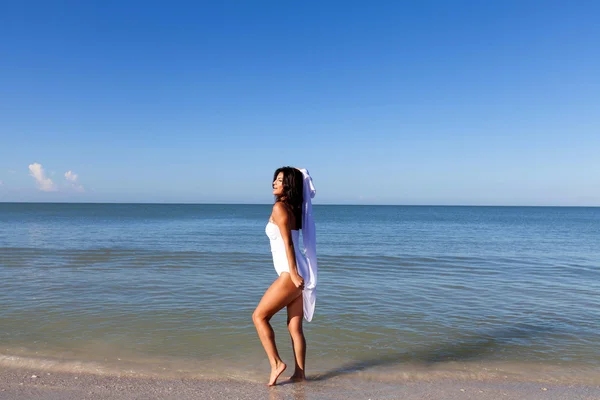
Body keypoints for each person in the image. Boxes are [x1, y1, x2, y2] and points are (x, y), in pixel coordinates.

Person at [252, 166, 317, 386]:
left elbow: (288, 244)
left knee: (259, 317)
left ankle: (276, 363)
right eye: (275, 179)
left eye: (280, 180)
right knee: (294, 327)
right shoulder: (295, 210)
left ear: (288, 184)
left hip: (291, 273)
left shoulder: (280, 208)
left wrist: (294, 274)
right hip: (299, 272)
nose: (274, 183)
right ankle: (300, 374)